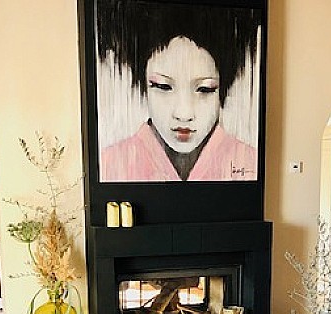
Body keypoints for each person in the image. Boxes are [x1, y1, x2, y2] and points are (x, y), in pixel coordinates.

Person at [96, 2, 262, 182]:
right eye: (163, 86)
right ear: (144, 86)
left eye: (204, 89)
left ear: (223, 90)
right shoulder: (108, 164)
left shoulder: (251, 162)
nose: (184, 114)